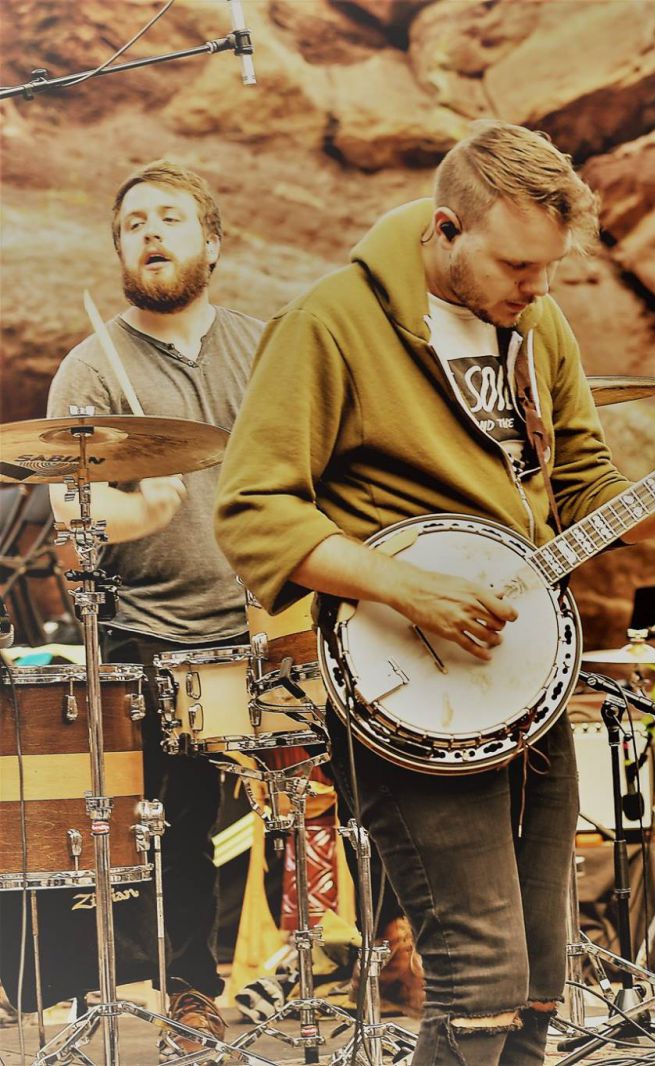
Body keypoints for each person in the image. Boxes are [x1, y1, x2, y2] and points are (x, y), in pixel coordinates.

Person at [214, 119, 655, 1066]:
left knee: (542, 979)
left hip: (526, 681)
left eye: (549, 267)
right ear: (446, 229)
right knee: (479, 978)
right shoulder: (329, 323)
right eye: (517, 265)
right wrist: (407, 589)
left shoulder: (538, 327)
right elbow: (252, 509)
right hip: (406, 690)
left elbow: (585, 496)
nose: (537, 287)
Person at [44, 161, 257, 1052]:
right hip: (156, 630)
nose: (150, 234)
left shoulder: (261, 349)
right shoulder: (93, 368)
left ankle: (380, 957)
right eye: (134, 224)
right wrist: (143, 513)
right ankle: (191, 991)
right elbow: (72, 515)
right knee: (185, 820)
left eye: (169, 218)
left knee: (350, 786)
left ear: (213, 243)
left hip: (265, 620)